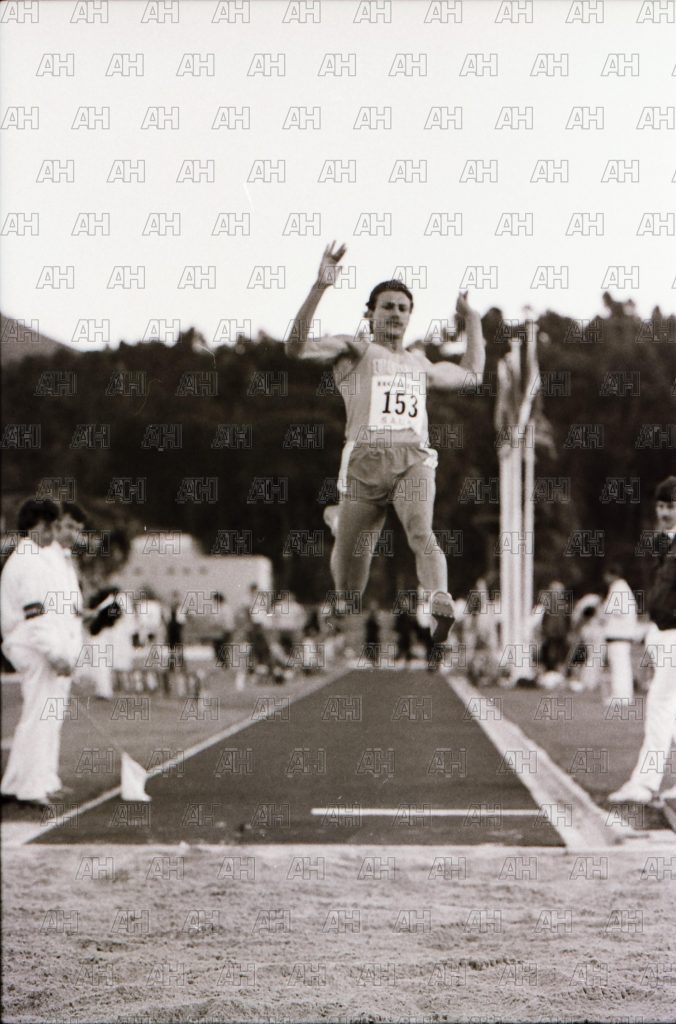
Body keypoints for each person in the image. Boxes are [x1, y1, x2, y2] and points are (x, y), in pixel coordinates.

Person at [286, 242, 486, 656]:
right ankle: (340, 522)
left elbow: (472, 375)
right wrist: (320, 286)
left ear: (410, 316)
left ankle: (439, 598)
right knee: (349, 592)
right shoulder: (354, 350)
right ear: (370, 314)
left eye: (403, 308)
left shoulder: (420, 364)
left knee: (420, 530)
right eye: (387, 306)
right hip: (363, 464)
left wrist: (473, 319)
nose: (395, 313)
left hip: (413, 461)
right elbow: (296, 348)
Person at [1, 499, 81, 807]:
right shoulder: (28, 561)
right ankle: (31, 788)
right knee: (39, 717)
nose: (53, 533)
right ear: (37, 526)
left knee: (42, 716)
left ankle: (20, 781)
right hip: (33, 647)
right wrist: (54, 653)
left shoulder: (34, 557)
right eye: (51, 527)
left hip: (36, 644)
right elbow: (36, 618)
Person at [609, 476, 676, 804]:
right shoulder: (663, 543)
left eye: (671, 506)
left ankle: (646, 783)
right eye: (661, 506)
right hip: (663, 631)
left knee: (660, 706)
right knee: (667, 708)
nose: (664, 512)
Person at [600, 563, 638, 704]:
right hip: (622, 634)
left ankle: (621, 696)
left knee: (619, 666)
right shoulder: (622, 588)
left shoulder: (619, 588)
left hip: (619, 634)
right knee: (621, 666)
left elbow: (617, 610)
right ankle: (623, 695)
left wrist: (604, 612)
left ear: (611, 575)